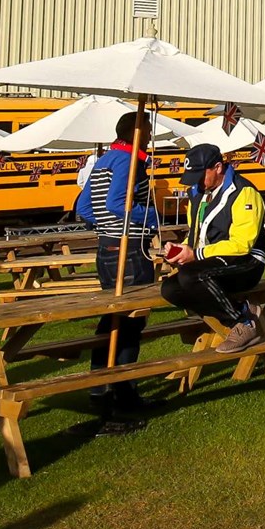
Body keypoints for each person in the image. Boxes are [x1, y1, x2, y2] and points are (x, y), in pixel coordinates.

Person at [81, 110, 161, 413]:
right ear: (137, 133)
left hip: (107, 247)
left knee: (110, 320)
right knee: (131, 321)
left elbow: (84, 207)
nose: (152, 136)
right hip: (129, 250)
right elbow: (116, 203)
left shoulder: (104, 160)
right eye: (149, 131)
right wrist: (151, 218)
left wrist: (104, 227)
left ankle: (100, 387)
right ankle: (124, 393)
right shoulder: (129, 161)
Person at [160, 143, 265, 352]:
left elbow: (242, 245)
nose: (197, 183)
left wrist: (197, 254)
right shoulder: (197, 194)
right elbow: (196, 233)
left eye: (200, 176)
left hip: (247, 262)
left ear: (218, 168)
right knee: (170, 289)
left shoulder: (244, 192)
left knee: (191, 277)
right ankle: (233, 319)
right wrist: (180, 249)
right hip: (210, 261)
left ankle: (245, 320)